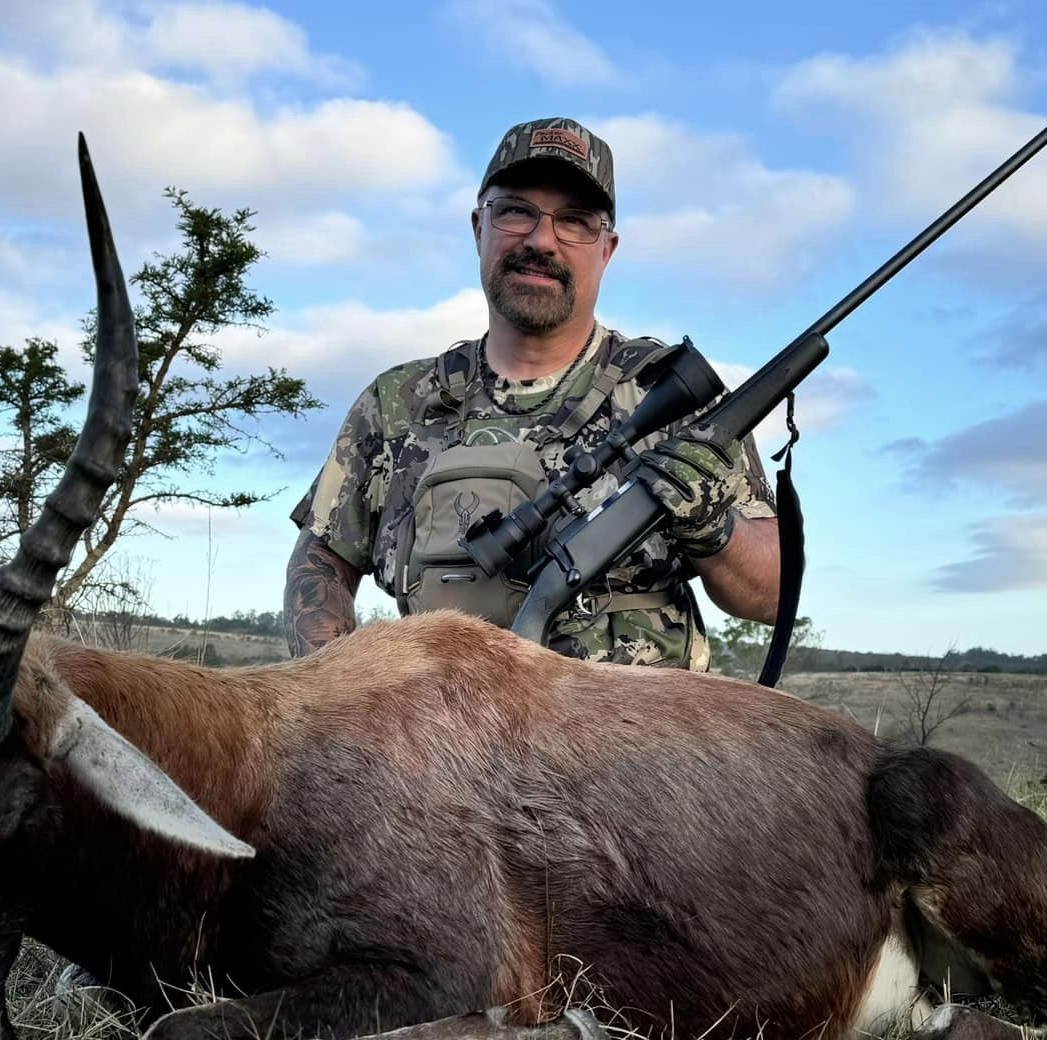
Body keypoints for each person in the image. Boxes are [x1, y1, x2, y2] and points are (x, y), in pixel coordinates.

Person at [282, 117, 782, 670]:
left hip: (641, 748)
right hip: (446, 748)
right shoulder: (396, 403)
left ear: (608, 249)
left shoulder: (675, 396)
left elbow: (772, 594)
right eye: (517, 210)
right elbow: (320, 563)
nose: (542, 240)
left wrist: (708, 521)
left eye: (575, 221)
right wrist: (346, 707)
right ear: (479, 228)